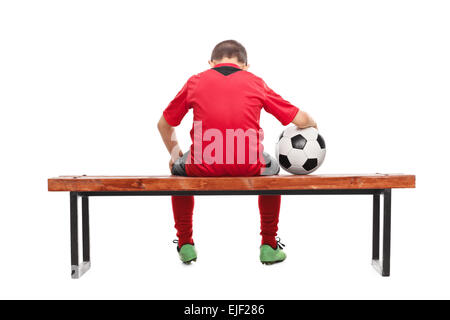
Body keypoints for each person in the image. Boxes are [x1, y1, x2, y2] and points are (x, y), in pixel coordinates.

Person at [157, 40, 317, 264]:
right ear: (246, 66)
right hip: (249, 165)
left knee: (178, 171)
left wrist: (176, 157)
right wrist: (312, 126)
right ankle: (269, 245)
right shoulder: (255, 82)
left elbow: (164, 124)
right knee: (273, 170)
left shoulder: (195, 82)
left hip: (201, 165)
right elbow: (301, 119)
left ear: (211, 63)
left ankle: (185, 244)